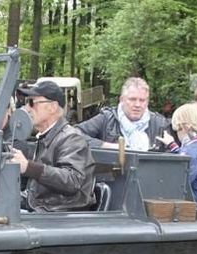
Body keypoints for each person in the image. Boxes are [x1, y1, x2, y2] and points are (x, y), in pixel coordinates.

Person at [10, 80, 95, 212]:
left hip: (60, 216)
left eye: (32, 102)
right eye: (26, 103)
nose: (27, 108)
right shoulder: (45, 137)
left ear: (52, 107)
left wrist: (28, 167)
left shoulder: (71, 138)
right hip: (43, 209)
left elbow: (73, 180)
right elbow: (35, 193)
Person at [76, 77, 173, 151]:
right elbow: (73, 134)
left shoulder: (160, 124)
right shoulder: (107, 119)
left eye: (142, 100)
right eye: (132, 99)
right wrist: (105, 146)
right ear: (122, 100)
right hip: (112, 176)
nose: (137, 105)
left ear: (147, 102)